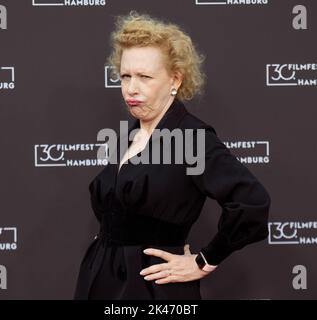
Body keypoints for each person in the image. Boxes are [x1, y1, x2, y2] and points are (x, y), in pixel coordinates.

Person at [74, 12, 271, 300]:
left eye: (144, 77)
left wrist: (204, 260)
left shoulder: (191, 137)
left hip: (151, 287)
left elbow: (252, 203)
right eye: (125, 76)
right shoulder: (128, 135)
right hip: (101, 278)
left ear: (175, 79)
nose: (131, 88)